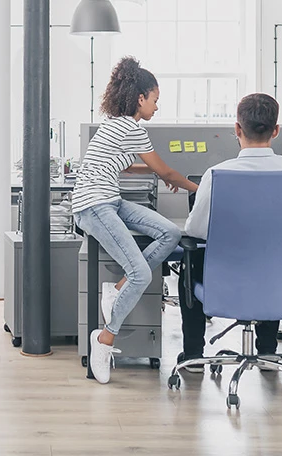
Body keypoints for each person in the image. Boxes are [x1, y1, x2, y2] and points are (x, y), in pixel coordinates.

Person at [72, 56, 198, 384]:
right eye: (155, 100)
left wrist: (160, 173)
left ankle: (116, 289)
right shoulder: (128, 126)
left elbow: (127, 166)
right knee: (141, 272)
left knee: (170, 232)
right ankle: (104, 338)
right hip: (93, 205)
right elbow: (165, 169)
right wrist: (197, 186)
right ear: (140, 98)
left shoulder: (118, 126)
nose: (157, 107)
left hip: (110, 199)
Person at [179, 94, 282, 372]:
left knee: (191, 260)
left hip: (226, 286)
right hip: (279, 285)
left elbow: (195, 230)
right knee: (270, 258)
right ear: (276, 130)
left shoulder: (217, 174)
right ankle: (268, 352)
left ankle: (193, 356)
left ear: (237, 129)